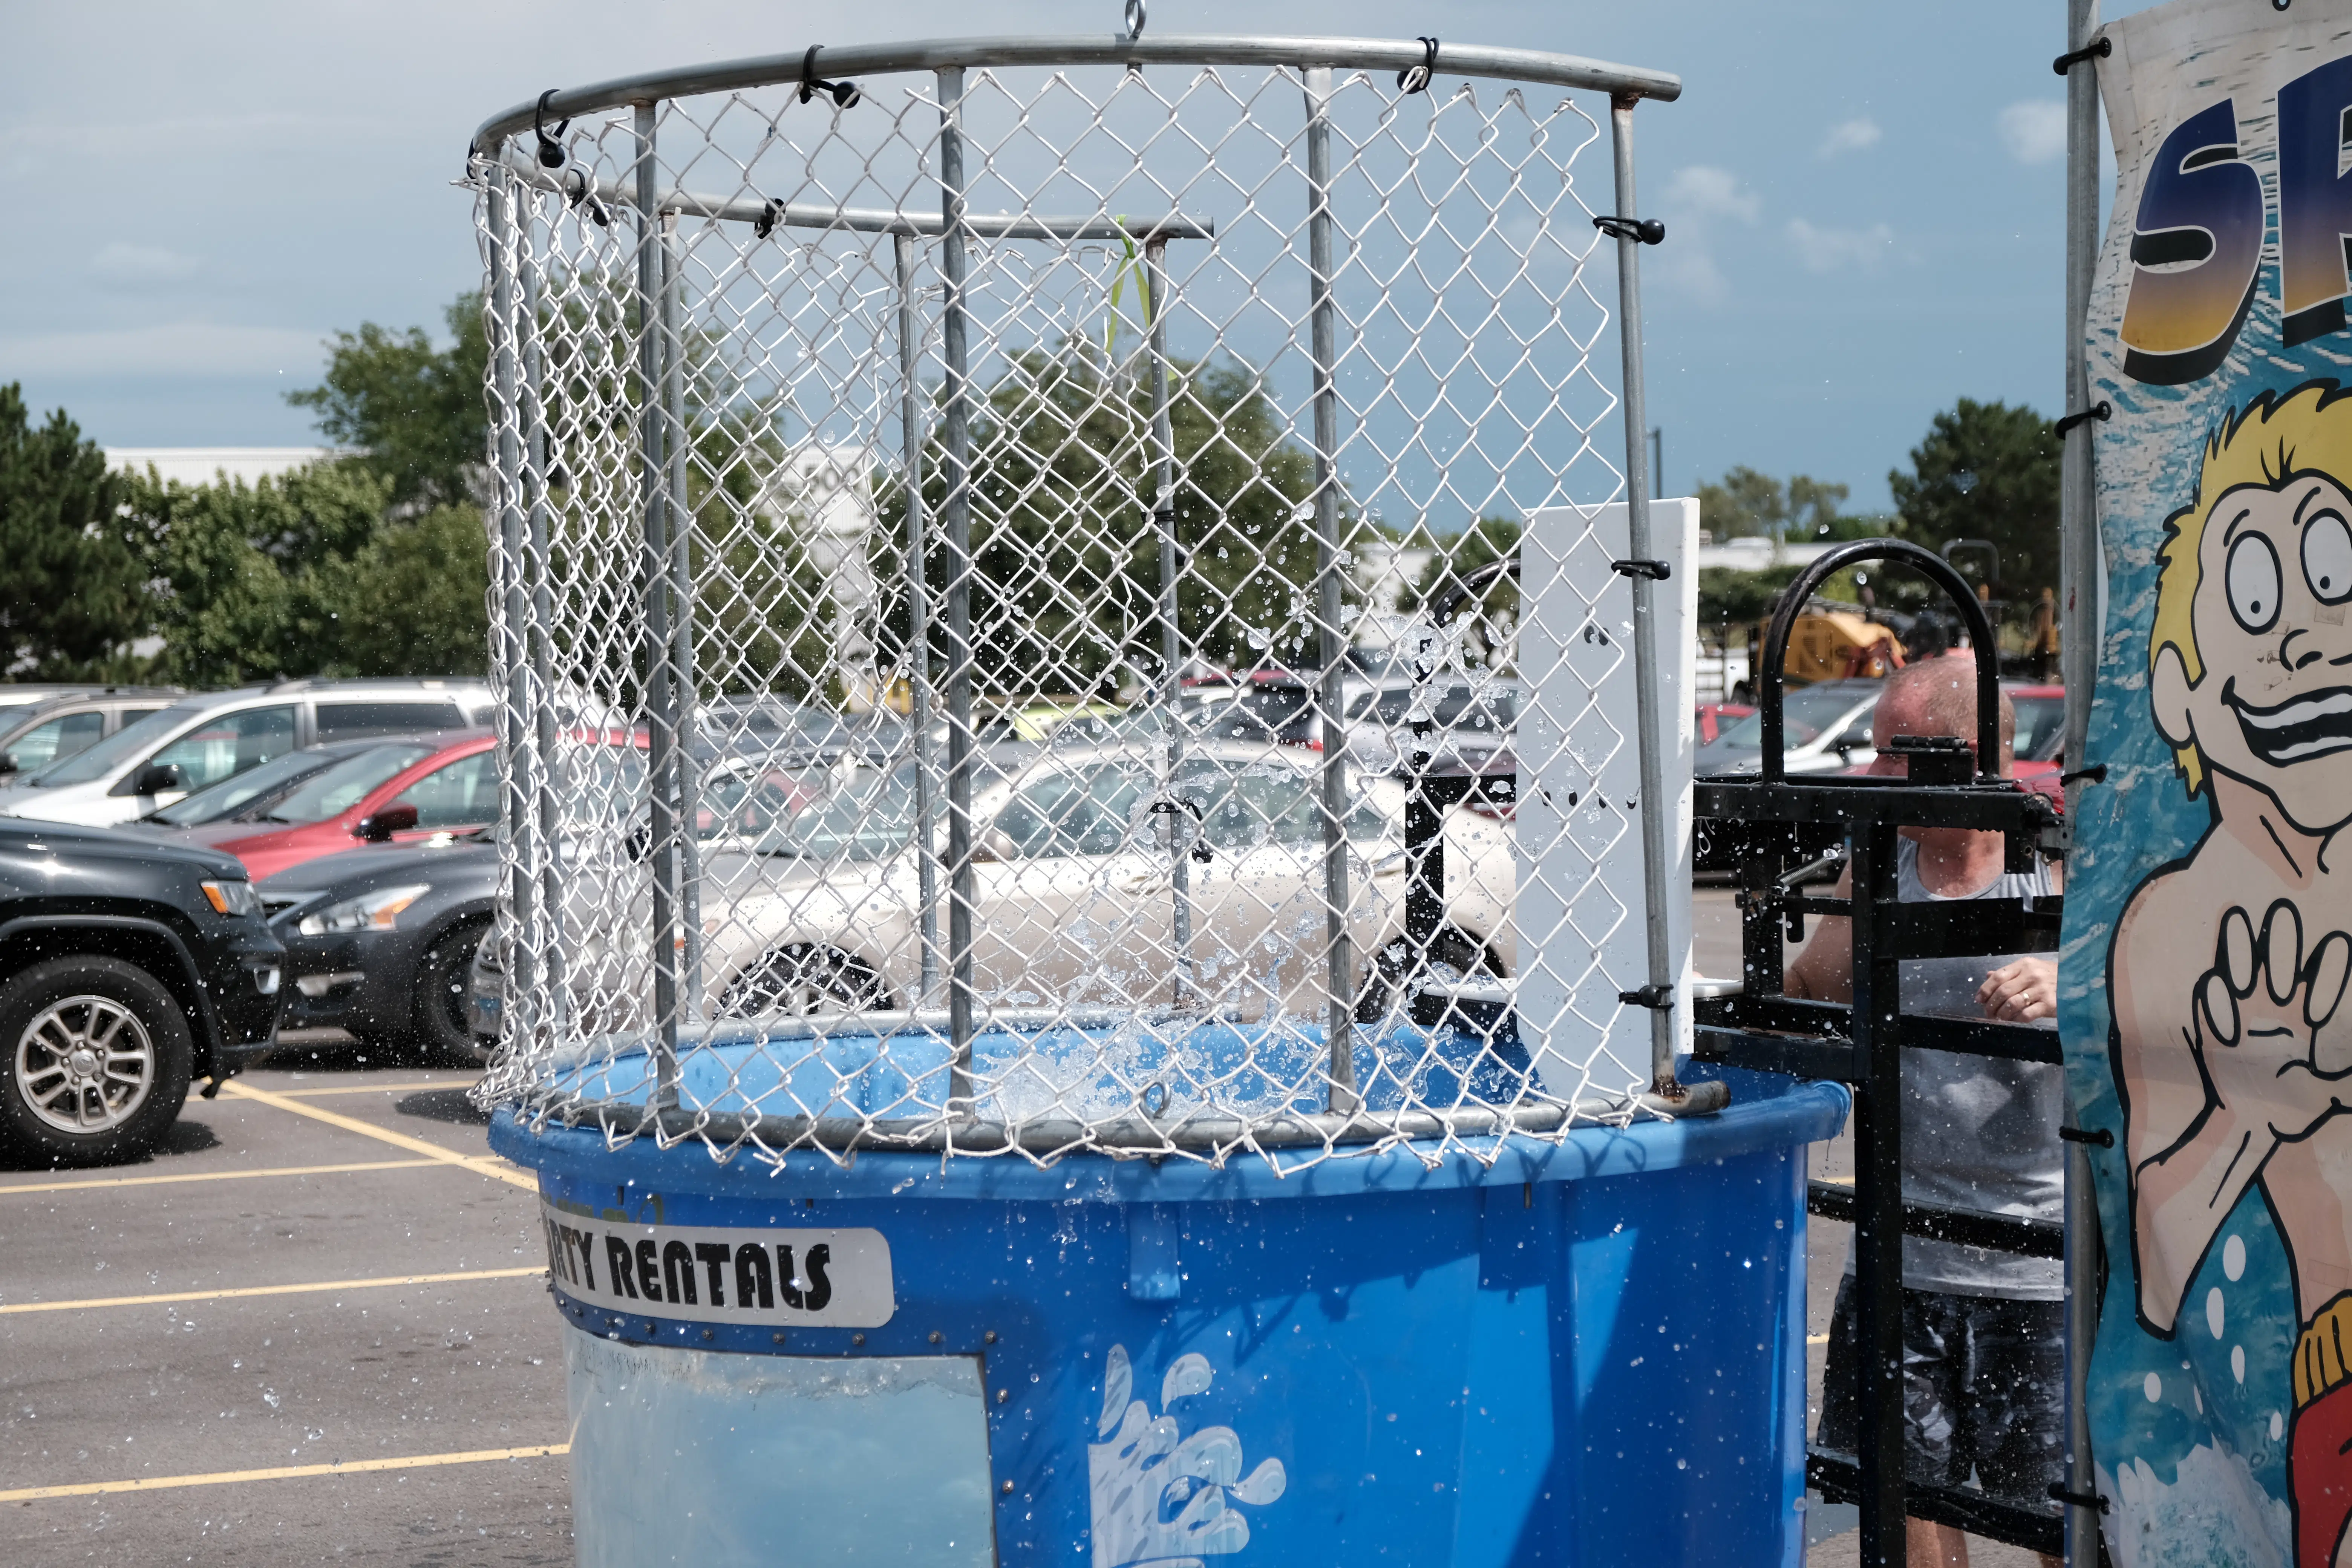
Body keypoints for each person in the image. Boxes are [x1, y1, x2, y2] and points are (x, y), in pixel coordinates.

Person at [1788, 660, 2064, 1568]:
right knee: (1899, 1497)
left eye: (1894, 759)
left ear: (1971, 758)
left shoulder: (2056, 870)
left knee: (2064, 1518)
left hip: (2036, 1261)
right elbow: (1801, 994)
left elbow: (2154, 974)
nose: (1872, 780)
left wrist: (2068, 974)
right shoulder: (1876, 870)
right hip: (1898, 1251)